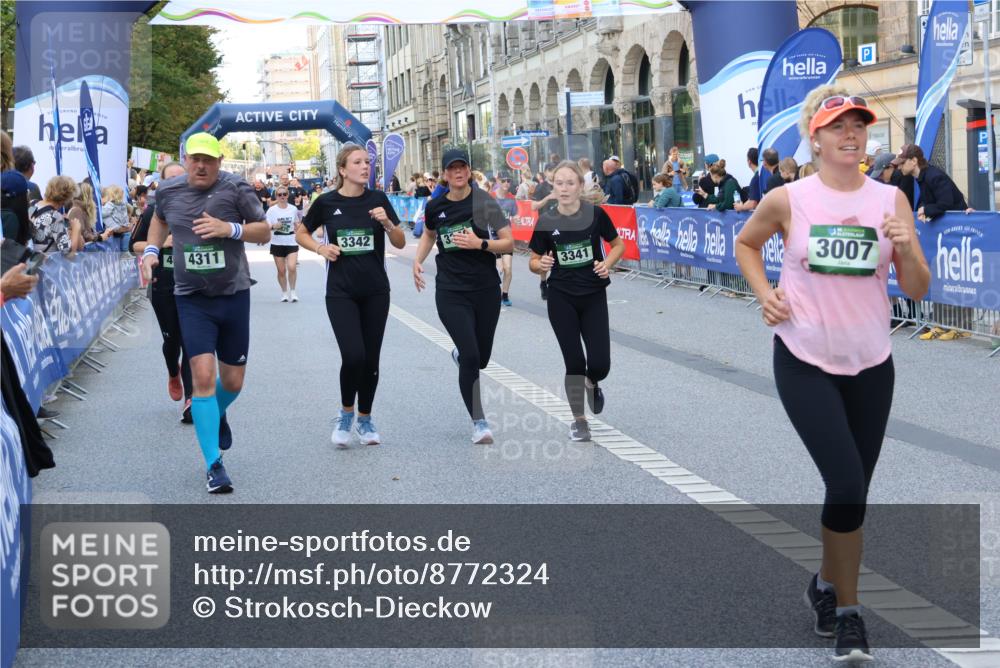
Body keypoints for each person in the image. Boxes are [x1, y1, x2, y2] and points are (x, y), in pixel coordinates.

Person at [734, 87, 930, 663]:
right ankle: (848, 614)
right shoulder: (788, 199)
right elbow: (746, 245)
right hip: (804, 359)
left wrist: (907, 249)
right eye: (838, 126)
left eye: (859, 126)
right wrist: (765, 293)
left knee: (853, 495)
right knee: (845, 484)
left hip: (871, 363)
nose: (851, 135)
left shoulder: (891, 199)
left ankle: (824, 583)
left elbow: (917, 288)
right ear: (815, 139)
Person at [140, 133, 270, 494]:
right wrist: (151, 251)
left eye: (208, 160)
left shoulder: (236, 188)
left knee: (233, 382)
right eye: (195, 159)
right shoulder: (168, 191)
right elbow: (159, 221)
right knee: (201, 376)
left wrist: (230, 229)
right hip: (191, 297)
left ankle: (214, 411)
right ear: (186, 160)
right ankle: (214, 465)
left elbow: (264, 230)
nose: (201, 166)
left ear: (219, 162)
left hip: (233, 294)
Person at [297, 144, 405, 447]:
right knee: (353, 355)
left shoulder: (378, 199)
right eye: (357, 162)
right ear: (343, 170)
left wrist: (387, 223)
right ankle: (346, 413)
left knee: (371, 359)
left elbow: (399, 241)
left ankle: (365, 419)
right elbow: (301, 233)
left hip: (376, 291)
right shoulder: (326, 202)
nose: (365, 166)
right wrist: (320, 248)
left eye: (367, 161)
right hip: (340, 292)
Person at [413, 148, 514, 444]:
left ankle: (462, 356)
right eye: (452, 168)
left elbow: (509, 242)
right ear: (445, 174)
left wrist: (480, 244)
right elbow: (429, 234)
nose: (458, 172)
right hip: (451, 290)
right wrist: (418, 260)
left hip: (485, 288)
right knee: (471, 356)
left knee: (480, 359)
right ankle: (479, 421)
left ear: (469, 172)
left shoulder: (484, 202)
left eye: (462, 168)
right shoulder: (436, 206)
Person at [528, 160, 625, 441]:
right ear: (553, 187)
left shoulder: (595, 215)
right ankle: (579, 421)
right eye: (559, 183)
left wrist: (607, 264)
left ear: (580, 186)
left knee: (600, 364)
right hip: (561, 297)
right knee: (574, 361)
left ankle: (592, 382)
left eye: (570, 183)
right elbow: (533, 260)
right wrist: (540, 264)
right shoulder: (547, 221)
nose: (564, 188)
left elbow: (618, 245)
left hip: (593, 295)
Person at [131, 161, 194, 423]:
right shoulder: (152, 213)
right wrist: (160, 243)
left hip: (192, 285)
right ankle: (172, 371)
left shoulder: (198, 208)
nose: (177, 183)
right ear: (162, 184)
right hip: (163, 285)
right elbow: (133, 245)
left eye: (182, 178)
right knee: (172, 341)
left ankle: (191, 399)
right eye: (171, 179)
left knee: (191, 341)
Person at [892, 143, 975, 340]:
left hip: (956, 234)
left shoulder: (934, 175)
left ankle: (960, 326)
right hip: (943, 235)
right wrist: (924, 208)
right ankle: (942, 324)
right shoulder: (921, 177)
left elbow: (946, 202)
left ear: (913, 161)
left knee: (957, 279)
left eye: (902, 163)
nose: (899, 167)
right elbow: (930, 200)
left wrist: (926, 210)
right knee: (941, 278)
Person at [266, 184, 302, 302]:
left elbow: (296, 223)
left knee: (292, 267)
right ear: (276, 196)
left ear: (288, 195)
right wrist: (273, 226)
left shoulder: (293, 209)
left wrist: (299, 228)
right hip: (277, 242)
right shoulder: (271, 210)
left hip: (291, 241)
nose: (282, 196)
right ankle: (284, 293)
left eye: (284, 194)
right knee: (281, 271)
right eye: (279, 194)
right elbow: (266, 226)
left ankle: (293, 292)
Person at [29, 176, 81, 253]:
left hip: (27, 256)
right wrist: (76, 229)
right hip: (44, 260)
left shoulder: (32, 203)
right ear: (65, 199)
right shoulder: (55, 217)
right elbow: (68, 253)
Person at [101, 184, 131, 251]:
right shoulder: (122, 205)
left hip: (115, 234)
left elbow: (102, 213)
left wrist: (100, 208)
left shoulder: (110, 205)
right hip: (125, 232)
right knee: (126, 251)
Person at [735, 147, 761, 212]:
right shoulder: (763, 175)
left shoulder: (755, 179)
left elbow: (753, 203)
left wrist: (741, 207)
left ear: (749, 162)